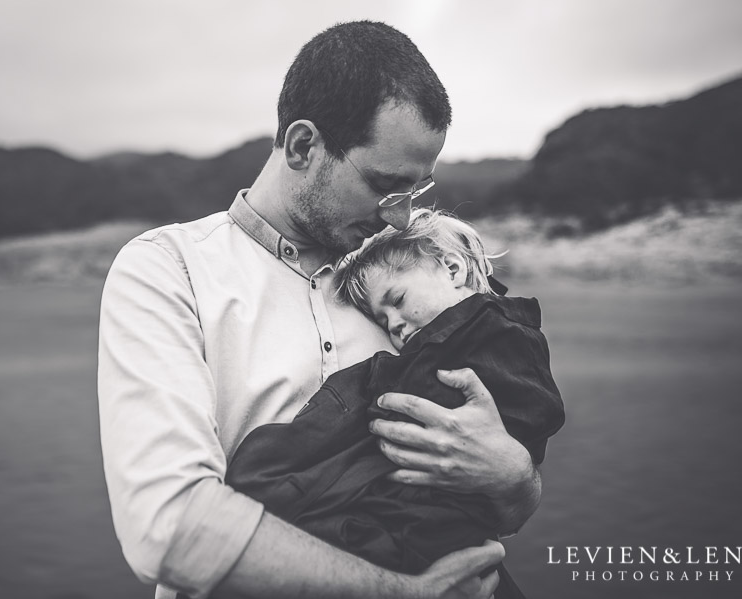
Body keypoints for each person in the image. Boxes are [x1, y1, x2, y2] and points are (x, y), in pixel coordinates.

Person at [97, 20, 542, 599]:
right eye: (386, 187)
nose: (401, 217)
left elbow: (503, 507)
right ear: (304, 146)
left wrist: (513, 476)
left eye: (417, 192)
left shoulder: (405, 276)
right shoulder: (167, 269)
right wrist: (396, 593)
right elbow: (168, 526)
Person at [226, 209, 564, 596]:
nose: (396, 326)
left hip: (436, 517)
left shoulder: (486, 333)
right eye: (383, 321)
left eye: (398, 301)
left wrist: (516, 474)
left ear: (452, 269)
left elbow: (532, 423)